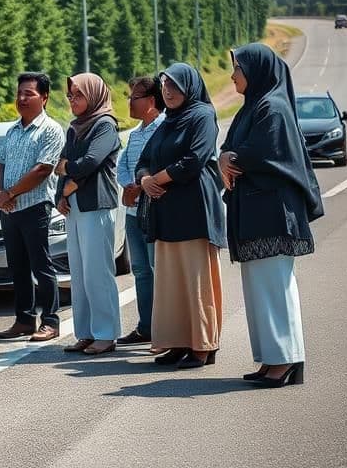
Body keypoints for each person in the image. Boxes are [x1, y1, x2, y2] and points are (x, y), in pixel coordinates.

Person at [220, 43, 323, 388]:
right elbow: (230, 146)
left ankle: (286, 361)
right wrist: (226, 157)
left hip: (272, 214)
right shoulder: (253, 107)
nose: (233, 75)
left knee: (274, 288)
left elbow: (262, 152)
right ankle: (271, 359)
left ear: (256, 71)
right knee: (259, 289)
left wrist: (230, 159)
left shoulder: (272, 108)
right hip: (255, 212)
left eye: (238, 69)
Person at [136, 62, 226, 370]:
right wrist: (144, 178)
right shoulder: (167, 121)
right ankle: (176, 343)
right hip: (167, 213)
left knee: (195, 281)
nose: (168, 91)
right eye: (164, 86)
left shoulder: (202, 115)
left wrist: (154, 180)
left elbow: (193, 160)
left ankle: (202, 346)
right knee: (171, 283)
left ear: (189, 86)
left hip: (193, 210)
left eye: (174, 85)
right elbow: (145, 158)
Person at [0, 72, 66, 341]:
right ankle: (24, 320)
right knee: (18, 266)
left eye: (29, 94)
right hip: (10, 210)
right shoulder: (13, 131)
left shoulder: (51, 130)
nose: (21, 98)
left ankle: (50, 321)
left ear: (44, 98)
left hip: (35, 207)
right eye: (19, 93)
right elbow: (0, 164)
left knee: (41, 265)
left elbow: (43, 169)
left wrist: (10, 192)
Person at [55, 73, 122, 355]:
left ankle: (106, 334)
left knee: (98, 273)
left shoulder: (105, 125)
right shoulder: (74, 128)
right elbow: (61, 163)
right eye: (70, 96)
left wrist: (69, 173)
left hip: (96, 204)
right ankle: (86, 332)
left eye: (78, 95)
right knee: (80, 274)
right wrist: (61, 194)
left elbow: (91, 161)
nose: (72, 100)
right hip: (74, 206)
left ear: (94, 95)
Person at [115, 77, 166, 347]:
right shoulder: (134, 134)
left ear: (151, 101)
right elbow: (122, 165)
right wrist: (128, 186)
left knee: (158, 269)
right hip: (134, 212)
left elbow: (158, 167)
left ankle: (164, 328)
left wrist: (139, 189)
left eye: (134, 97)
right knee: (140, 270)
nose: (129, 102)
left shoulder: (164, 128)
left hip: (154, 210)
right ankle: (145, 326)